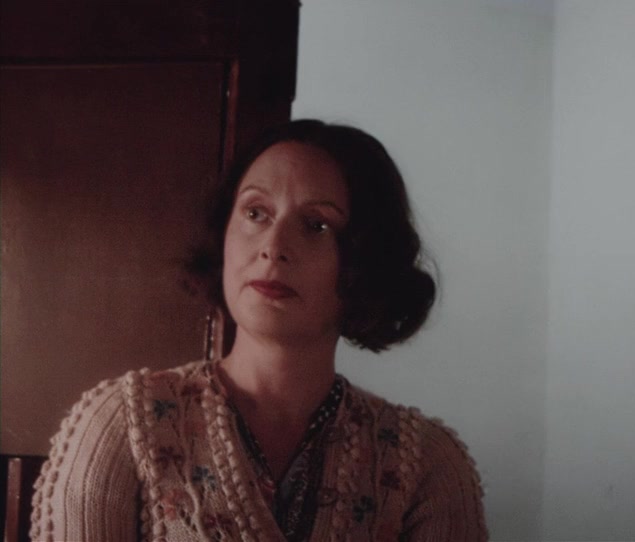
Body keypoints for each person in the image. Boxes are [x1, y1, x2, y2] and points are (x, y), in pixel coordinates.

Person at [30, 120, 487, 541]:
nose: (273, 246)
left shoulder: (423, 462)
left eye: (316, 225)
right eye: (255, 213)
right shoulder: (125, 426)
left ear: (365, 258)